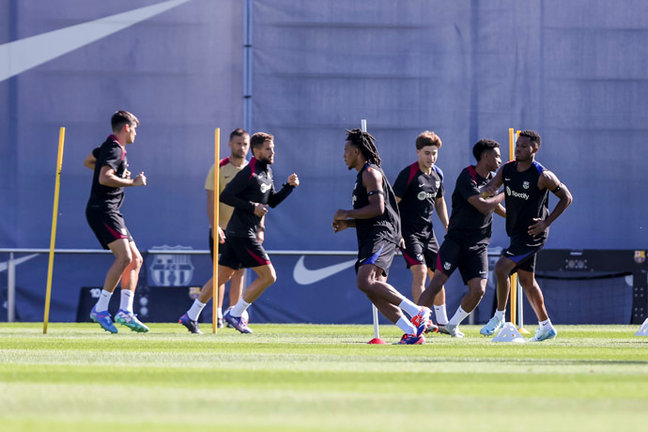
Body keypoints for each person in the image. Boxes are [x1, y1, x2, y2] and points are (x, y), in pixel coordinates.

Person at [179, 132, 299, 334]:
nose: (273, 152)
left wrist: (289, 187)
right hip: (241, 233)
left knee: (222, 276)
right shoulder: (249, 172)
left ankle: (191, 316)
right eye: (268, 149)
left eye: (273, 148)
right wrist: (252, 207)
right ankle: (236, 313)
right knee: (269, 276)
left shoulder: (266, 172)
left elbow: (272, 202)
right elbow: (226, 196)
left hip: (241, 232)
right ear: (257, 150)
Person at [333, 129, 428, 345]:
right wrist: (347, 223)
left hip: (382, 233)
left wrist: (346, 213)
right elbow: (371, 213)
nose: (343, 155)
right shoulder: (362, 176)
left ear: (357, 151)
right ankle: (412, 331)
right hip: (374, 234)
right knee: (373, 290)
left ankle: (417, 312)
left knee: (365, 281)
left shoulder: (370, 173)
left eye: (346, 150)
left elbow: (378, 208)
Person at [479, 130, 572, 341]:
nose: (517, 148)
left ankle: (499, 316)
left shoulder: (543, 175)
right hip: (516, 233)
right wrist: (481, 192)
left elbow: (567, 197)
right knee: (527, 282)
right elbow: (492, 187)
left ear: (535, 149)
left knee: (502, 267)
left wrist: (546, 222)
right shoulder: (508, 169)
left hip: (533, 234)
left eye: (523, 146)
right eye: (516, 145)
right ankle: (546, 326)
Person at [413, 139, 506, 337]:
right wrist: (504, 192)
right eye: (497, 155)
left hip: (479, 245)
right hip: (456, 241)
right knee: (437, 282)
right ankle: (415, 327)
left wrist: (517, 217)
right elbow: (482, 205)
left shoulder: (492, 180)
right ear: (485, 156)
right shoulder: (467, 176)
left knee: (478, 290)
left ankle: (452, 325)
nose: (500, 159)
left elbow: (495, 207)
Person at [179, 129, 251, 333]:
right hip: (223, 231)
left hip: (244, 231)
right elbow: (211, 202)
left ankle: (233, 314)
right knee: (221, 273)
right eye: (238, 143)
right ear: (230, 144)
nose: (242, 147)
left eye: (245, 144)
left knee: (240, 272)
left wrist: (259, 229)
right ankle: (217, 313)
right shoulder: (219, 168)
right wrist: (216, 226)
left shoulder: (251, 170)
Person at [83, 110, 149, 333]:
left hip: (110, 210)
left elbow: (90, 161)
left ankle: (125, 312)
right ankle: (100, 309)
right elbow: (103, 177)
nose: (136, 135)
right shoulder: (115, 149)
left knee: (136, 260)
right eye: (135, 129)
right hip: (102, 210)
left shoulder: (108, 147)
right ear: (126, 128)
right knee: (125, 257)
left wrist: (117, 173)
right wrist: (131, 181)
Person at [392, 131, 450, 331]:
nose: (431, 157)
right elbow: (393, 206)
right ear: (418, 152)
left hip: (429, 232)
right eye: (427, 153)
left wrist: (448, 225)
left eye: (434, 153)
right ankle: (421, 320)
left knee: (439, 275)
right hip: (408, 233)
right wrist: (396, 233)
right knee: (421, 272)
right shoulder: (407, 174)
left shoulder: (438, 174)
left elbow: (440, 202)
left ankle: (442, 322)